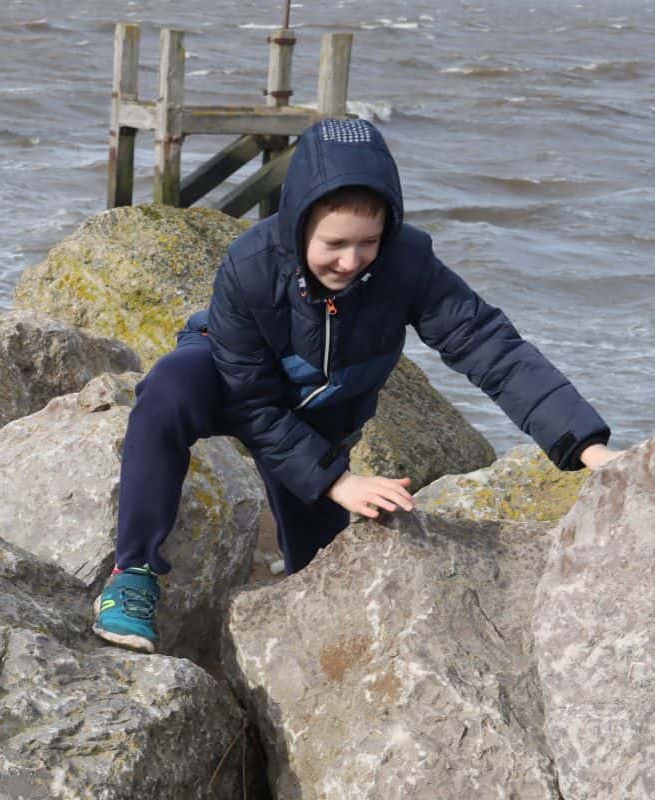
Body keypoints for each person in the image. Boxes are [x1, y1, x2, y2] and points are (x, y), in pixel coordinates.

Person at [92, 118, 621, 654]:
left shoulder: (407, 263)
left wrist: (585, 444)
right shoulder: (250, 265)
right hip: (234, 382)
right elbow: (253, 402)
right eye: (334, 244)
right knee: (168, 388)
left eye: (368, 242)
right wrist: (336, 481)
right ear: (299, 225)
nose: (350, 261)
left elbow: (491, 348)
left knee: (320, 578)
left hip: (321, 416)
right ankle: (133, 573)